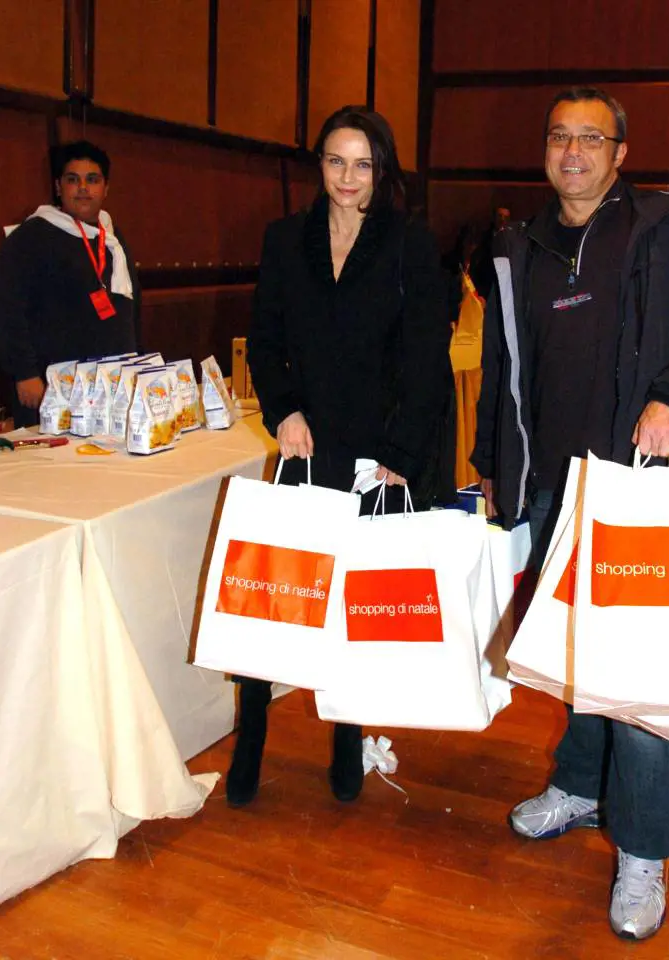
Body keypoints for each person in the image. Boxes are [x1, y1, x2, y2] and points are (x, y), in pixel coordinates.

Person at [471, 87, 669, 940]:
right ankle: (581, 784)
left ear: (620, 153)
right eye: (559, 136)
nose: (572, 152)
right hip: (557, 487)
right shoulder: (514, 246)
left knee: (639, 681)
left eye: (590, 138)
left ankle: (642, 851)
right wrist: (497, 467)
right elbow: (503, 371)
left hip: (646, 491)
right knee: (574, 650)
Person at [231, 106, 451, 808]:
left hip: (372, 453)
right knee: (273, 601)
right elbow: (264, 342)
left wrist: (398, 454)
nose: (348, 177)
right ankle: (251, 740)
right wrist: (284, 409)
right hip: (303, 442)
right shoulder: (284, 239)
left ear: (380, 170)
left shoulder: (410, 245)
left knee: (352, 604)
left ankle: (346, 736)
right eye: (335, 161)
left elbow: (425, 362)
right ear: (318, 165)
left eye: (362, 163)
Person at [0, 140, 141, 427]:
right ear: (58, 187)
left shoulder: (112, 237)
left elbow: (130, 309)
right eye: (73, 180)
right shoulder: (32, 235)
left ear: (106, 188)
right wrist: (24, 373)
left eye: (93, 180)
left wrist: (134, 366)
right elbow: (7, 307)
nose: (83, 188)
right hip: (51, 387)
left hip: (108, 386)